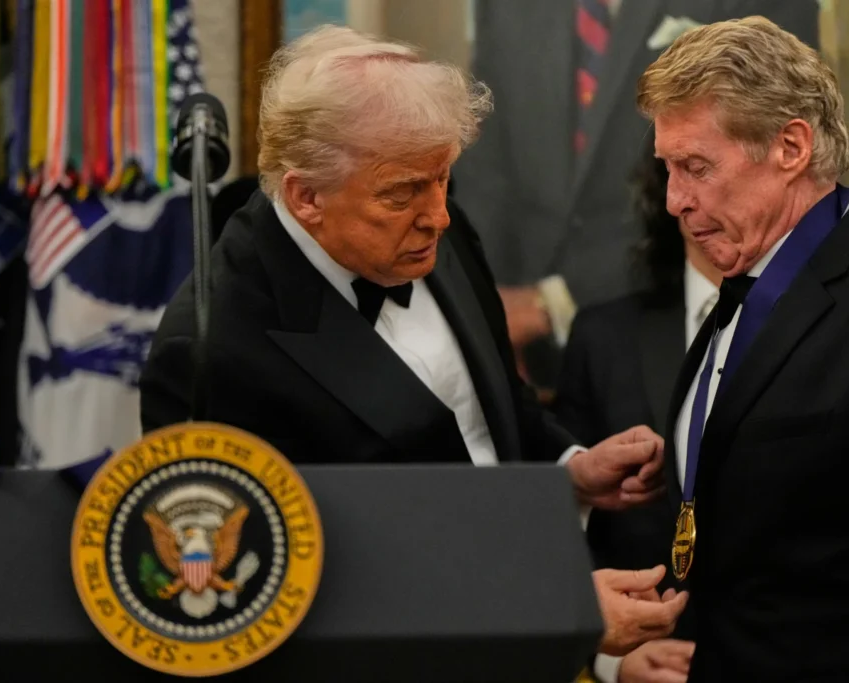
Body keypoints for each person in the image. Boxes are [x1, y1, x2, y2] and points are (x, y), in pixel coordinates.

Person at [139, 25, 687, 657]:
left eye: (444, 179)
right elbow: (274, 590)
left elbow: (490, 407)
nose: (440, 216)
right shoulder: (210, 350)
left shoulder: (426, 220)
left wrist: (566, 471)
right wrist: (549, 605)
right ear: (305, 196)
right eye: (402, 193)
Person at [637, 15, 849, 681]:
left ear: (791, 146)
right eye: (668, 170)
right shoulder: (743, 286)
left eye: (695, 167)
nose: (675, 200)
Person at [452, 0, 819, 389]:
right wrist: (483, 311)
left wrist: (552, 301)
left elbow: (761, 176)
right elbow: (484, 172)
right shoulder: (505, 9)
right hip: (520, 357)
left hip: (679, 336)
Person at [555, 141, 720, 683]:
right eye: (684, 173)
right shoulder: (603, 337)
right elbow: (567, 528)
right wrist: (608, 661)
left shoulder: (835, 327)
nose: (693, 196)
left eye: (710, 169)